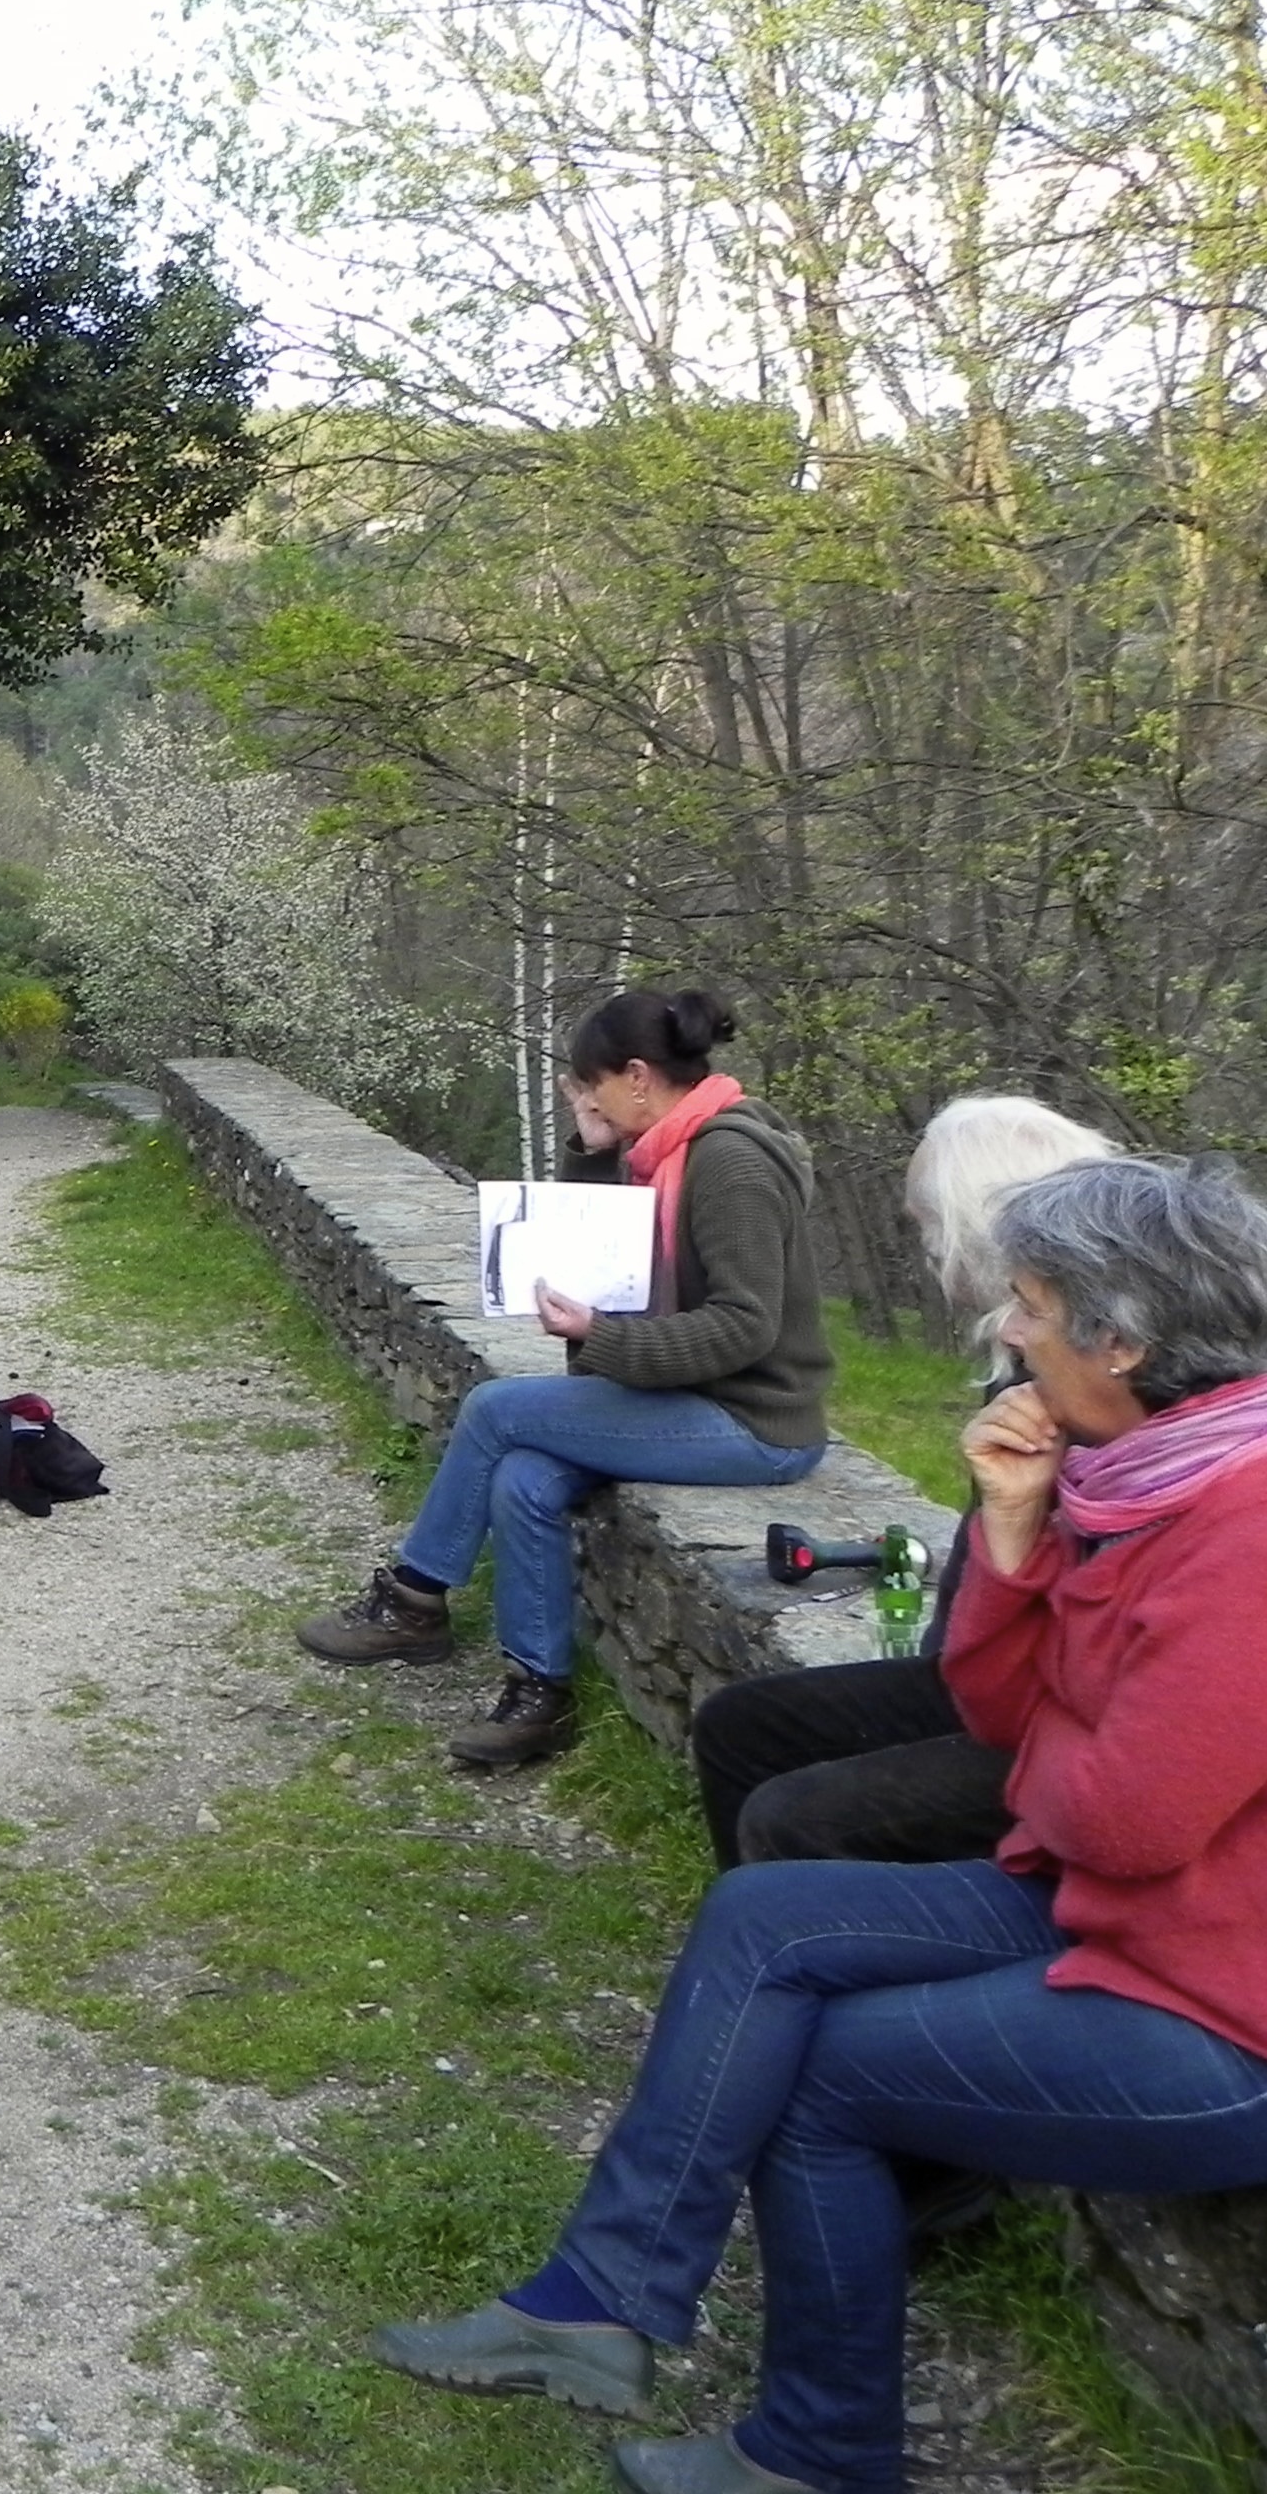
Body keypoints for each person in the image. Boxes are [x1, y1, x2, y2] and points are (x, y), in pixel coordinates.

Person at [366, 1153, 1267, 2494]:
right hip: (1115, 1915)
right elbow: (1000, 1713)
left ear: (1121, 1341)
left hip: (1216, 2006)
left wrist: (1064, 1744)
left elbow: (1121, 1818)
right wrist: (1013, 1540)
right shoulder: (1136, 1478)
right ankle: (597, 2302)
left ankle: (822, 2451)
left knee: (824, 2075)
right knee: (765, 1913)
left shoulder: (1242, 1521)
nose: (1008, 1332)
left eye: (1029, 1306)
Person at [301, 988, 832, 1769]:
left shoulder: (730, 1162)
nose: (589, 1098)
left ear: (638, 1076)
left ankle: (413, 1599)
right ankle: (538, 1693)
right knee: (522, 1475)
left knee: (495, 1410)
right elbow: (606, 1259)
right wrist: (591, 1148)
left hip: (755, 1422)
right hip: (686, 1400)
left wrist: (600, 1337)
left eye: (594, 1086)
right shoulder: (666, 1152)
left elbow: (744, 1325)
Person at [690, 1095, 1118, 1870]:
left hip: (1058, 1708)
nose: (923, 1247)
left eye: (927, 1223)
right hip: (984, 1670)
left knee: (799, 1816)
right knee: (739, 1727)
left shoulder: (1090, 1384)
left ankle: (816, 1930)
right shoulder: (1026, 1364)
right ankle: (759, 1924)